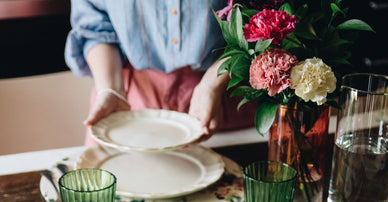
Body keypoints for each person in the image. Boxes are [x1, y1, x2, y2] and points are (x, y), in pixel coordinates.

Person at [65, 0, 256, 145]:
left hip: (226, 96)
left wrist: (212, 84)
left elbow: (265, 20)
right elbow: (94, 28)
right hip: (128, 101)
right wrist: (110, 90)